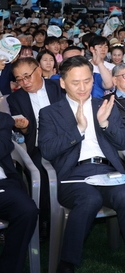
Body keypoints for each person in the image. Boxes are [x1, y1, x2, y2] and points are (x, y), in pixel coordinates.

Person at [38, 56, 125, 273]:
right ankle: (67, 263)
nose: (82, 87)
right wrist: (78, 129)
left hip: (107, 170)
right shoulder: (49, 113)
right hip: (73, 175)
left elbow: (124, 142)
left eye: (87, 81)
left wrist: (105, 124)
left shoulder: (106, 105)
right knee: (89, 199)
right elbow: (48, 150)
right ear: (62, 83)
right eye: (75, 82)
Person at [8, 57, 64, 237]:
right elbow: (27, 133)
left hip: (66, 142)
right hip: (39, 147)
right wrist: (23, 127)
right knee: (41, 173)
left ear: (39, 70)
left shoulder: (58, 88)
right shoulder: (16, 99)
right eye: (19, 79)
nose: (24, 82)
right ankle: (44, 220)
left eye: (27, 76)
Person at [0, 112, 39, 273]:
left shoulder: (2, 120)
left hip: (3, 185)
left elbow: (3, 147)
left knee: (26, 210)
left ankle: (9, 268)